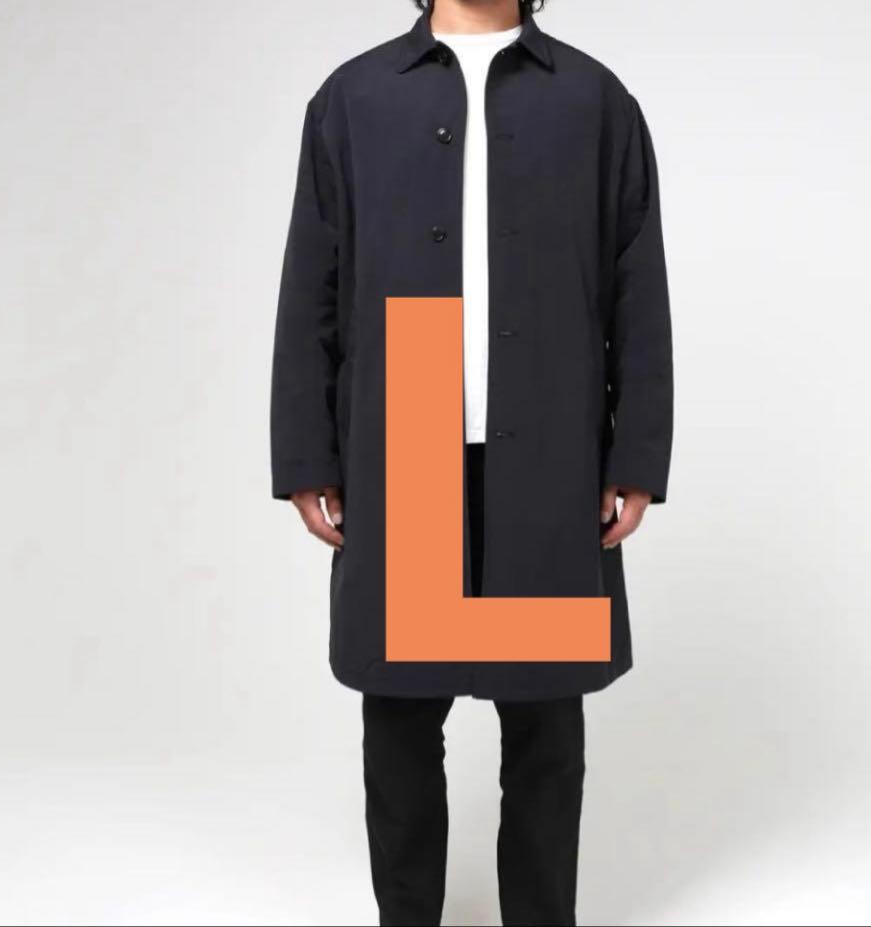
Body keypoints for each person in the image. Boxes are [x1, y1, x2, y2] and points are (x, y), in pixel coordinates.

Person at [270, 0, 673, 923]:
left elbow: (637, 280)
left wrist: (637, 450)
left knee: (545, 720)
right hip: (406, 426)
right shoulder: (356, 97)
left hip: (552, 441)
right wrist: (306, 452)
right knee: (401, 717)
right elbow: (311, 282)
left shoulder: (593, 99)